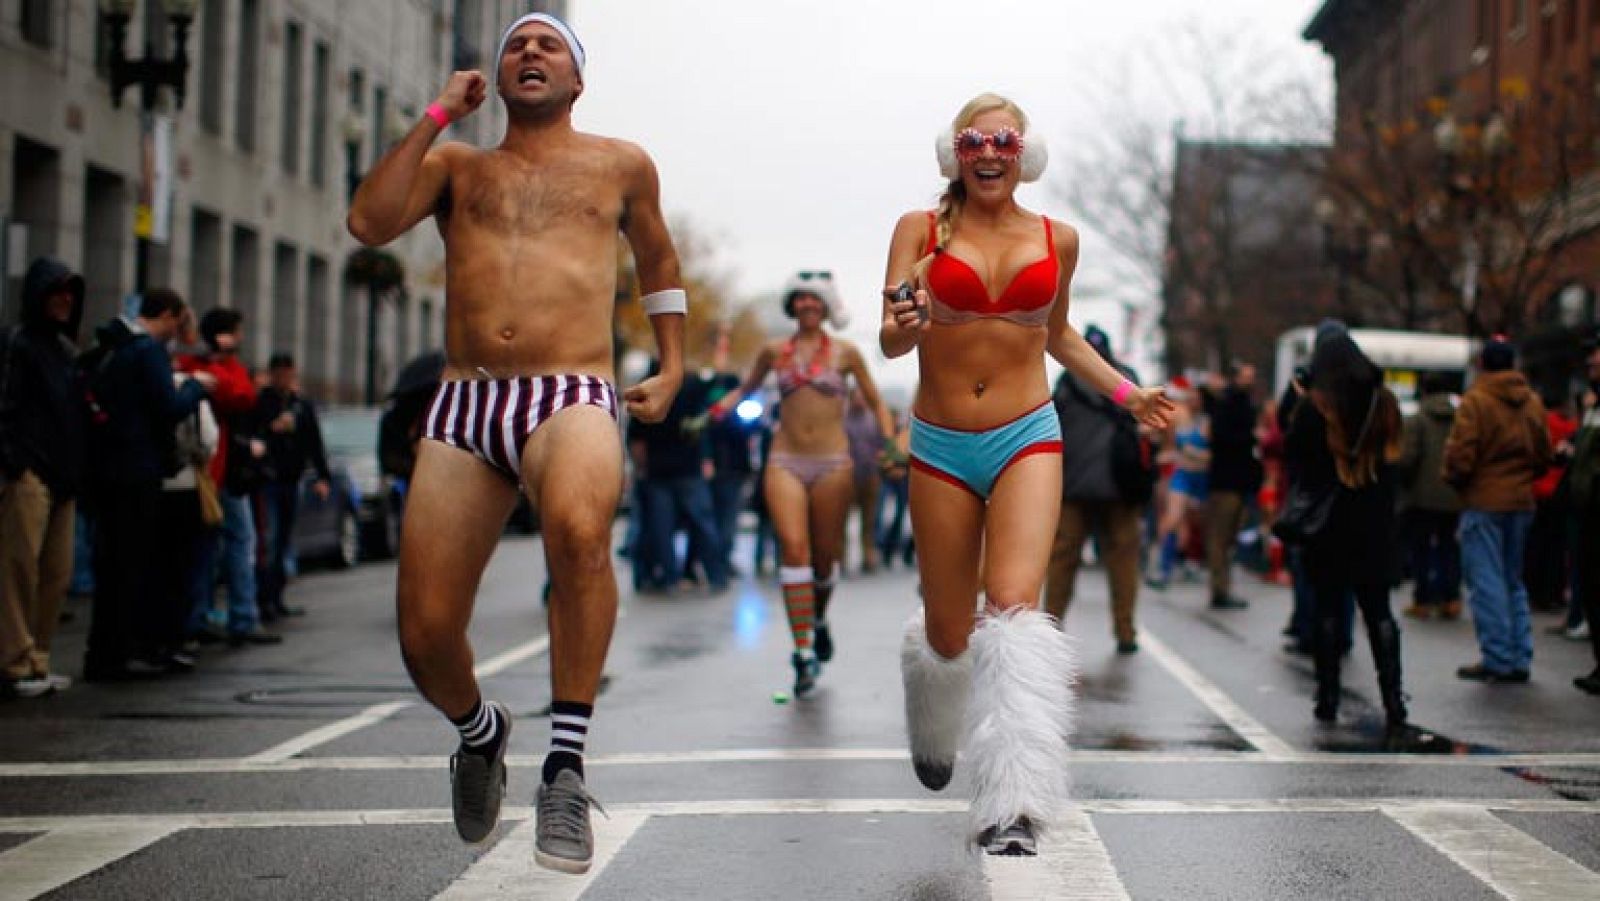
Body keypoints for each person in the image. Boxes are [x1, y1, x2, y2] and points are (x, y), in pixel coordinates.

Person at [346, 12, 685, 874]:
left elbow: (659, 263)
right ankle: (479, 730)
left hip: (570, 388)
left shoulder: (621, 164)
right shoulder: (457, 166)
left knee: (578, 532)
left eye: (550, 46)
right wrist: (433, 117)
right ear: (494, 79)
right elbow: (368, 222)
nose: (530, 52)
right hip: (464, 400)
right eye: (515, 47)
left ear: (578, 78)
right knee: (424, 634)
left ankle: (565, 767)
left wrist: (674, 365)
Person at [879, 93, 1171, 856]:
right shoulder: (918, 229)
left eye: (1003, 139)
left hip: (1027, 435)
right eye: (974, 139)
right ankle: (931, 700)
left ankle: (1015, 803)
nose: (989, 151)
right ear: (955, 153)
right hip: (941, 442)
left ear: (1024, 155)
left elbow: (1061, 335)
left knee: (1013, 611)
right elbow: (887, 337)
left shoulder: (1057, 239)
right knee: (951, 632)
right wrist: (903, 324)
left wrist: (1128, 392)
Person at [713, 271, 894, 694]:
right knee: (793, 550)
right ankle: (803, 651)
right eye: (800, 300)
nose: (808, 306)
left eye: (816, 301)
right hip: (784, 460)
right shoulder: (774, 351)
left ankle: (817, 619)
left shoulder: (847, 353)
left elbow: (878, 402)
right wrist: (716, 408)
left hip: (834, 463)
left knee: (825, 559)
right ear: (791, 305)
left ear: (827, 307)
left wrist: (891, 446)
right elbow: (746, 388)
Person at [81, 289, 212, 681]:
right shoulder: (149, 351)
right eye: (180, 320)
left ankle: (103, 653)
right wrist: (195, 388)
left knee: (112, 567)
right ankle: (119, 655)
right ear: (169, 316)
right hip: (137, 471)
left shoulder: (115, 346)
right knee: (131, 566)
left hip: (108, 468)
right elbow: (168, 409)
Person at [1283, 327, 1407, 734]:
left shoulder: (1313, 408)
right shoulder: (1383, 403)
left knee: (1328, 611)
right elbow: (1395, 459)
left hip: (1329, 524)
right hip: (1374, 519)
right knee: (1379, 613)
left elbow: (1294, 461)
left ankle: (1327, 697)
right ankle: (1393, 700)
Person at [0, 258, 86, 697]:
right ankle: (14, 664)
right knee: (18, 571)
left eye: (70, 292)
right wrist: (14, 463)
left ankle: (37, 659)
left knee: (57, 573)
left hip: (62, 477)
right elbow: (7, 406)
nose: (65, 300)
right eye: (57, 292)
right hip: (30, 473)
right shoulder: (19, 343)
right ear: (39, 295)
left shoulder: (65, 350)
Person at [1443, 336, 1550, 683]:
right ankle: (1520, 655)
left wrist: (1457, 481)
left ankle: (1498, 657)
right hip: (1521, 501)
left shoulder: (1477, 401)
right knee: (1513, 580)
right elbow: (1543, 453)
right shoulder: (1531, 401)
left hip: (1484, 500)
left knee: (1486, 580)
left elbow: (1461, 456)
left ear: (1484, 364)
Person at [1044, 325, 1145, 654]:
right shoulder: (1127, 380)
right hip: (1121, 485)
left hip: (1074, 486)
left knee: (1062, 561)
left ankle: (1050, 630)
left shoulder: (1067, 383)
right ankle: (1126, 630)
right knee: (1123, 561)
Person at [254, 353, 333, 621]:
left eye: (290, 374)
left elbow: (314, 442)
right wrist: (273, 428)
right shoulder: (263, 401)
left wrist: (323, 476)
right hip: (269, 479)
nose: (286, 380)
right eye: (281, 374)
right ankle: (263, 599)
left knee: (284, 541)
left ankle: (277, 597)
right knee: (270, 539)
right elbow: (254, 433)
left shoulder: (301, 405)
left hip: (292, 479)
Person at [1398, 372, 1462, 620]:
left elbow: (1408, 458)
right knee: (1449, 546)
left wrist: (1404, 484)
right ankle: (1451, 598)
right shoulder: (1460, 419)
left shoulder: (1417, 420)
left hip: (1422, 496)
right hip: (1453, 494)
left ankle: (1423, 599)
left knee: (1421, 548)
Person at [1201, 362, 1261, 609]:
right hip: (1228, 481)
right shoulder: (1231, 404)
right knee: (1220, 538)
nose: (1250, 380)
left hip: (1233, 480)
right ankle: (1219, 588)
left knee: (1225, 538)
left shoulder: (1235, 402)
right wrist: (1251, 437)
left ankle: (1221, 586)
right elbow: (1224, 437)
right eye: (1246, 376)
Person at [1146, 378, 1207, 590]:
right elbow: (1157, 438)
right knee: (1172, 518)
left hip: (1199, 476)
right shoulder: (1175, 413)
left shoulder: (1204, 420)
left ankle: (1180, 562)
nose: (1192, 399)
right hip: (1176, 473)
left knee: (1188, 523)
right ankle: (1162, 564)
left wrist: (1197, 455)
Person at [1566, 327, 1600, 694]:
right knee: (1590, 586)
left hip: (1595, 507)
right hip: (1587, 510)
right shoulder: (1592, 407)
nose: (1591, 360)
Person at [844, 386, 886, 574]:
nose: (859, 401)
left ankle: (868, 554)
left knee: (869, 518)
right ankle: (841, 556)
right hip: (848, 475)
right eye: (857, 397)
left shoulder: (873, 419)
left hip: (871, 473)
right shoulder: (842, 419)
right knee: (843, 518)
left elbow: (881, 442)